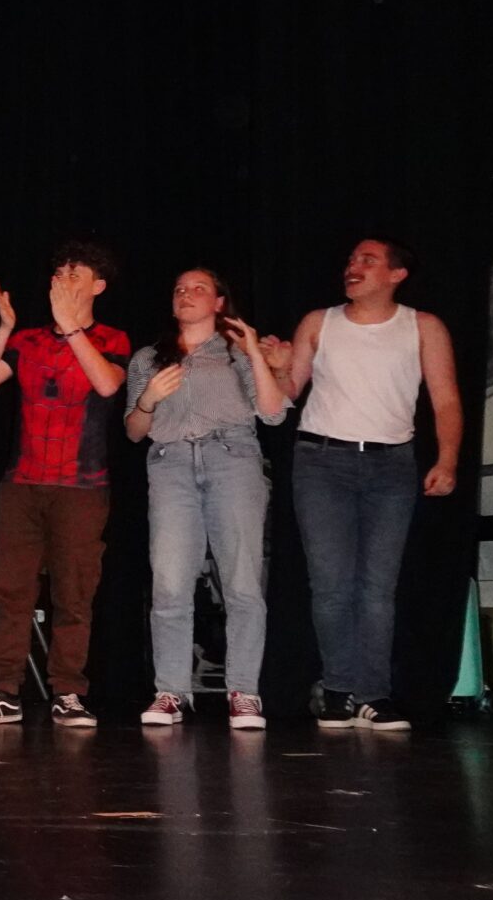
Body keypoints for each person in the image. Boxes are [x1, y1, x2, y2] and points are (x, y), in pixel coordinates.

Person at [262, 237, 463, 730]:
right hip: (321, 463)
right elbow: (288, 394)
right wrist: (279, 368)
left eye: (367, 260)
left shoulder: (422, 326)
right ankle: (337, 689)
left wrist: (448, 460)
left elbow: (445, 400)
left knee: (377, 589)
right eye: (351, 259)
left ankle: (373, 695)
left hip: (390, 466)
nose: (353, 266)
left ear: (397, 274)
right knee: (331, 585)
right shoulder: (319, 322)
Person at [0, 241, 130, 729]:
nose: (63, 279)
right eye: (59, 271)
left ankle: (68, 693)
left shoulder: (112, 338)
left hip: (81, 486)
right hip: (22, 483)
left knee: (74, 594)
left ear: (98, 286)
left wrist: (71, 327)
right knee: (10, 589)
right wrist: (4, 329)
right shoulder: (29, 340)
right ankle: (3, 691)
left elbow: (107, 384)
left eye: (76, 273)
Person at [125, 268, 290, 728]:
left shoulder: (236, 353)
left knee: (242, 580)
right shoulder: (148, 358)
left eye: (199, 289)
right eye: (179, 289)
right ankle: (171, 691)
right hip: (171, 463)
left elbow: (274, 415)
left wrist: (254, 353)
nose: (187, 294)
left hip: (231, 458)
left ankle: (244, 692)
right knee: (170, 582)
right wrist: (148, 400)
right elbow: (134, 431)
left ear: (219, 302)